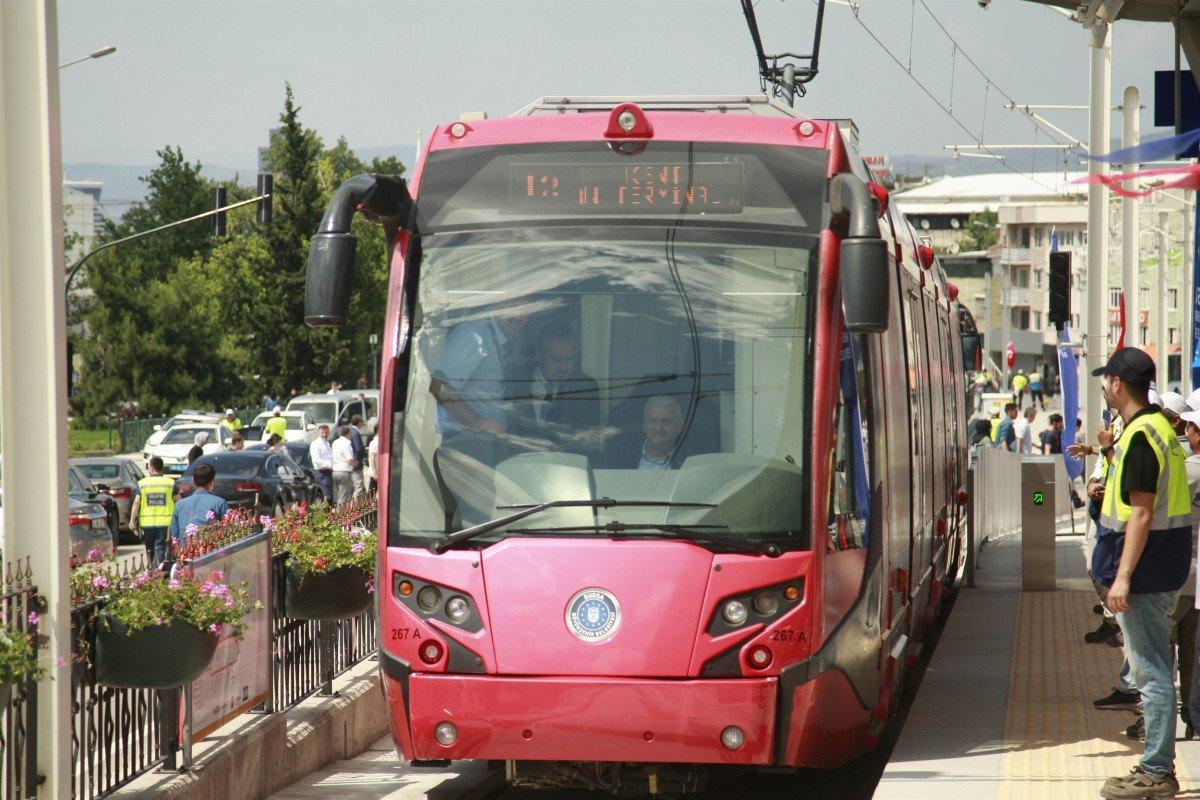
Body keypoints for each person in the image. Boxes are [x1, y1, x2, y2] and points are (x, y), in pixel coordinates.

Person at [1090, 348, 1191, 799]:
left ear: (1117, 383)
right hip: (1163, 565)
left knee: (1151, 672)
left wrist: (1123, 576)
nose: (1104, 385)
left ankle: (1156, 771)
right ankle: (1156, 765)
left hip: (1147, 573)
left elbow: (1142, 513)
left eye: (1106, 378)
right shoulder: (1154, 428)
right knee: (1155, 668)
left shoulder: (1140, 437)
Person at [513, 322, 601, 443]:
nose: (563, 367)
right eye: (556, 359)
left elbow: (589, 441)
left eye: (569, 359)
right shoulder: (516, 381)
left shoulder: (587, 388)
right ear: (539, 354)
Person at [607, 395, 686, 469]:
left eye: (666, 421)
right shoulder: (620, 459)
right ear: (644, 425)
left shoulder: (690, 462)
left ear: (680, 426)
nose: (658, 428)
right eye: (652, 421)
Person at [167, 463, 230, 557]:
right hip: (210, 555)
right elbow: (228, 534)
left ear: (193, 481)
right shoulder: (219, 503)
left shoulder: (179, 505)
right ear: (212, 482)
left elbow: (174, 537)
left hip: (185, 556)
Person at [129, 456, 175, 567]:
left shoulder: (142, 483)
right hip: (165, 522)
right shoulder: (170, 483)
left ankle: (152, 569)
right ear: (162, 468)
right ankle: (158, 569)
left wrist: (132, 520)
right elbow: (179, 501)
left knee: (149, 548)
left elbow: (136, 502)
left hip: (147, 523)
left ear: (151, 468)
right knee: (161, 546)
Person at [331, 425, 358, 505]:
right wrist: (356, 463)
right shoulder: (347, 443)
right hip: (344, 472)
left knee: (337, 496)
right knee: (344, 497)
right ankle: (341, 515)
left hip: (335, 471)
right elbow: (349, 460)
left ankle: (336, 513)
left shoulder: (335, 442)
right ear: (349, 433)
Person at [308, 424, 334, 502]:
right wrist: (329, 465)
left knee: (330, 496)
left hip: (329, 472)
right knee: (326, 496)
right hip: (321, 473)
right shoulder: (316, 444)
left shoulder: (327, 443)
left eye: (326, 433)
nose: (324, 435)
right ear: (318, 433)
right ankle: (325, 514)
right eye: (322, 433)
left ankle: (329, 513)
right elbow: (316, 459)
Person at [348, 414, 366, 497]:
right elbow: (358, 448)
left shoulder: (351, 430)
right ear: (359, 422)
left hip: (353, 462)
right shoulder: (355, 433)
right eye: (362, 421)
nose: (363, 423)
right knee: (358, 486)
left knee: (357, 486)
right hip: (356, 462)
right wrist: (365, 455)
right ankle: (354, 507)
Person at [365, 423, 379, 493]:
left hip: (376, 473)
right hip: (375, 474)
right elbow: (372, 458)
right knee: (371, 495)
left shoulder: (376, 442)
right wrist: (375, 474)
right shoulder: (376, 443)